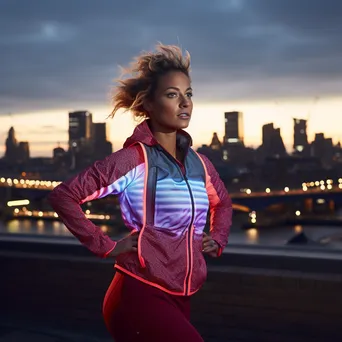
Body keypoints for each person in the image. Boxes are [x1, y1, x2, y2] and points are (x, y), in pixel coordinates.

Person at [48, 44, 232, 342]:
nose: (185, 103)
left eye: (189, 94)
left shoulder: (200, 164)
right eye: (172, 94)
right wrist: (106, 245)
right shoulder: (134, 160)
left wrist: (217, 238)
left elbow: (222, 203)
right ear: (148, 103)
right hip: (138, 294)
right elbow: (64, 196)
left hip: (180, 297)